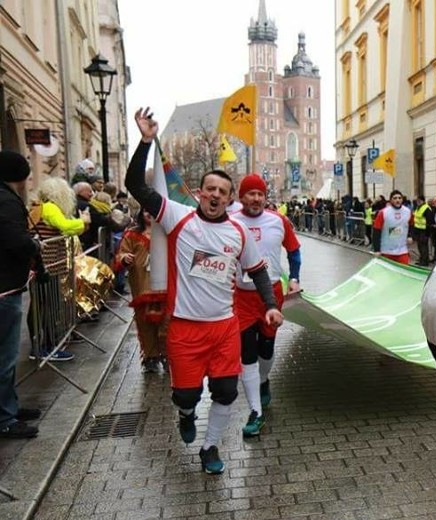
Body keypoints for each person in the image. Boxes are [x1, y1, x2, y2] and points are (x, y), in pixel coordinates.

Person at [126, 108, 283, 475]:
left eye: (223, 192)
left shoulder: (238, 233)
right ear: (199, 192)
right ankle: (185, 413)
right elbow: (136, 185)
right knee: (187, 395)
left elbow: (258, 271)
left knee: (226, 392)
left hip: (224, 327)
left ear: (231, 200)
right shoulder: (177, 216)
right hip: (185, 328)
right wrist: (146, 142)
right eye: (210, 189)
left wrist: (271, 305)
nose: (215, 195)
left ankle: (210, 448)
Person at [231, 174, 302, 437]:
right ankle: (255, 412)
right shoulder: (231, 221)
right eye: (251, 193)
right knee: (247, 352)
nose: (256, 198)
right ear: (241, 197)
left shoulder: (278, 220)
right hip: (241, 296)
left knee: (267, 348)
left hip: (271, 293)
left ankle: (263, 380)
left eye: (260, 194)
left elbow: (294, 251)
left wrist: (294, 279)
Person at [0, 151, 42, 438]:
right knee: (5, 356)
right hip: (5, 290)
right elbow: (15, 240)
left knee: (7, 356)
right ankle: (5, 417)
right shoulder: (6, 201)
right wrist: (35, 246)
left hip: (6, 287)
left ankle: (9, 406)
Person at [28, 177, 89, 362]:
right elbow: (64, 226)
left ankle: (40, 346)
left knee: (39, 306)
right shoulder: (49, 208)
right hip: (47, 266)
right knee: (45, 307)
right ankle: (45, 347)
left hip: (43, 266)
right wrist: (83, 221)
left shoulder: (39, 207)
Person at [116, 210, 167, 374]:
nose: (149, 214)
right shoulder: (132, 234)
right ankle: (150, 356)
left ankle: (167, 355)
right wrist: (125, 258)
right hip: (142, 285)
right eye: (146, 210)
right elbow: (120, 254)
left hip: (166, 286)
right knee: (144, 322)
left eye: (151, 210)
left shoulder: (168, 231)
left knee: (166, 322)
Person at [371, 190, 413, 264]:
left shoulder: (408, 211)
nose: (397, 200)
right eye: (395, 198)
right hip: (386, 250)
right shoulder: (383, 212)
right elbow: (376, 231)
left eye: (400, 198)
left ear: (402, 200)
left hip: (402, 250)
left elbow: (411, 225)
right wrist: (377, 250)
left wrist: (410, 236)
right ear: (390, 200)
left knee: (403, 273)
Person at [412, 195, 432, 267]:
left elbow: (429, 221)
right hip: (418, 229)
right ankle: (421, 259)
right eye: (417, 201)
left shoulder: (426, 208)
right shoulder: (418, 207)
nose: (417, 202)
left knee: (424, 247)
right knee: (420, 246)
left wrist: (427, 233)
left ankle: (425, 262)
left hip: (424, 230)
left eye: (418, 201)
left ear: (422, 201)